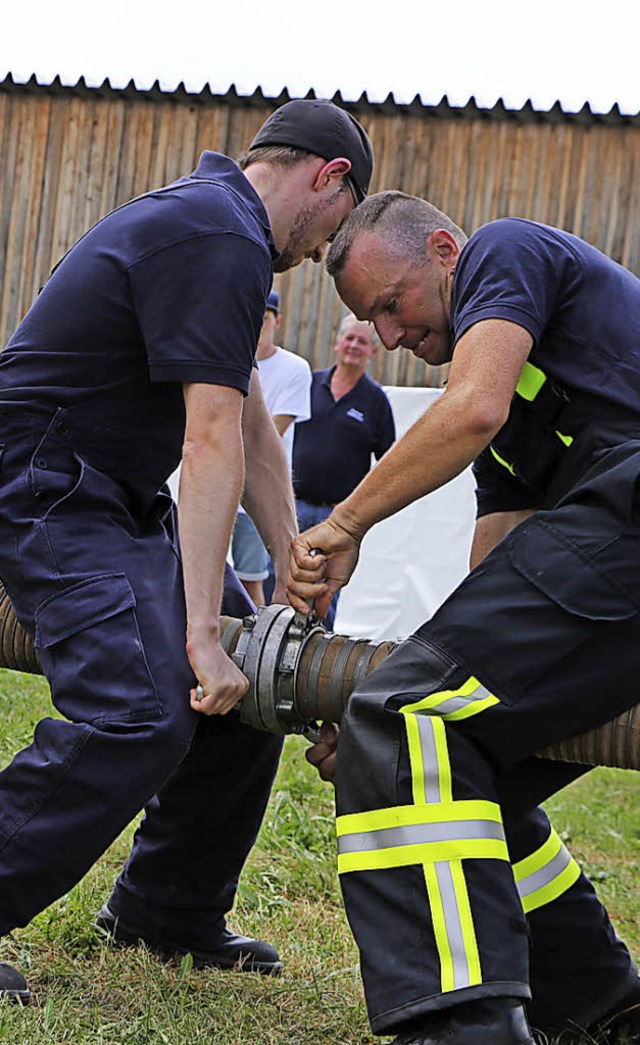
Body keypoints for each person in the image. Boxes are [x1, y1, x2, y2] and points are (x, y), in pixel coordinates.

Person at [0, 97, 373, 1002]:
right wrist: (199, 630)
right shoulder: (221, 233)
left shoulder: (217, 224)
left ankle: (165, 906)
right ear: (326, 177)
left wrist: (290, 552)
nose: (323, 253)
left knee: (253, 686)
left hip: (106, 490)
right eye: (335, 227)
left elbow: (244, 414)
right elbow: (207, 441)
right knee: (138, 710)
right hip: (47, 481)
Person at [287, 191, 640, 1044]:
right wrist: (401, 711)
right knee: (446, 747)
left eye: (390, 304)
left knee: (406, 721)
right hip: (613, 543)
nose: (391, 333)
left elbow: (471, 406)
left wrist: (341, 522)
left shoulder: (504, 251)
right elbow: (496, 571)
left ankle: (467, 1030)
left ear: (445, 251)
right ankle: (603, 1001)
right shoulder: (520, 413)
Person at [290, 312, 395, 627]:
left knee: (323, 595)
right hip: (291, 507)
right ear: (337, 342)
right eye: (349, 338)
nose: (353, 345)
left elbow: (389, 463)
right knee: (278, 580)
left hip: (335, 519)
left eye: (362, 342)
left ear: (373, 352)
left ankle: (315, 659)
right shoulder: (309, 384)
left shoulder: (375, 402)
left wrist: (355, 509)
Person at [231, 288, 311, 606]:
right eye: (255, 316)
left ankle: (262, 647)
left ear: (276, 322)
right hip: (221, 493)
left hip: (258, 496)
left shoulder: (295, 369)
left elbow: (265, 433)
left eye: (265, 318)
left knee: (251, 583)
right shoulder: (232, 358)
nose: (258, 325)